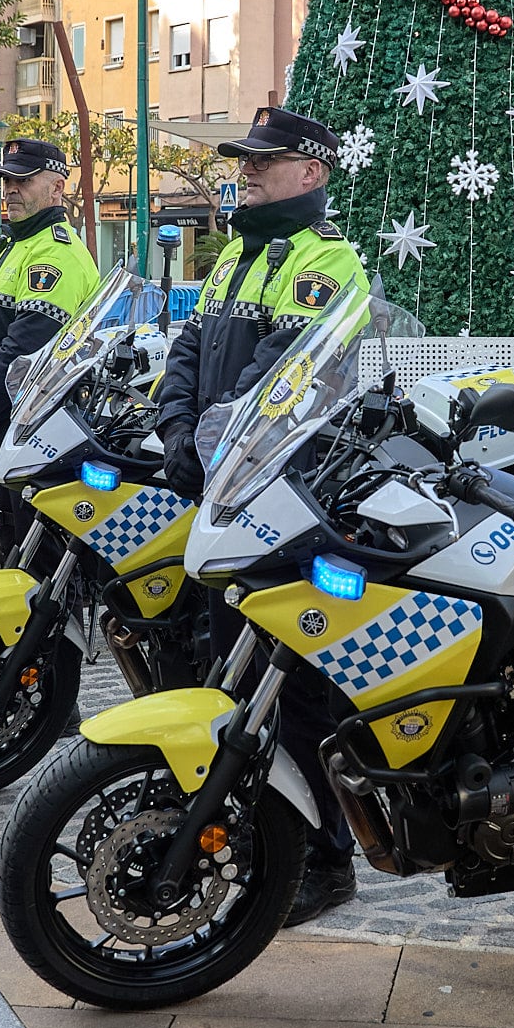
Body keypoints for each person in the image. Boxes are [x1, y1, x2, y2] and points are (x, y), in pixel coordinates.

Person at [154, 106, 368, 927]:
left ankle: (325, 858)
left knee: (297, 688)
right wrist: (178, 429)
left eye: (262, 161)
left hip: (285, 506)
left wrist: (220, 450)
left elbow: (291, 384)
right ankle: (254, 829)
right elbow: (184, 351)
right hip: (223, 495)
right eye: (245, 160)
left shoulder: (324, 261)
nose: (245, 171)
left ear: (310, 171)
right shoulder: (235, 257)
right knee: (227, 668)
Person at [0, 138, 99, 547]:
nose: (10, 189)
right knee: (9, 542)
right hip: (5, 422)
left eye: (23, 180)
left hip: (37, 430)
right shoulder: (13, 247)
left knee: (33, 557)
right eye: (4, 180)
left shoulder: (55, 253)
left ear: (57, 188)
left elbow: (25, 346)